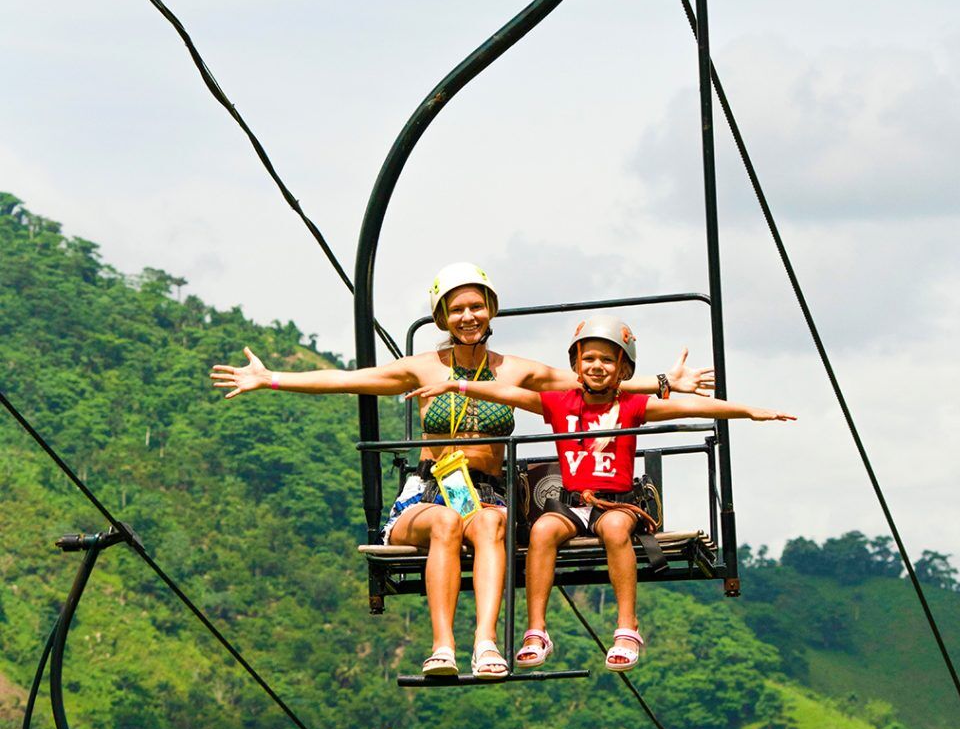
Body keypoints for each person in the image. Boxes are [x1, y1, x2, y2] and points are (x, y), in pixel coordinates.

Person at [211, 266, 714, 679]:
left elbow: (592, 382)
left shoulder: (515, 370)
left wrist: (668, 382)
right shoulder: (423, 368)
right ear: (443, 317)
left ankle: (486, 644)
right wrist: (272, 378)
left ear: (490, 310)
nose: (469, 316)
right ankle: (443, 647)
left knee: (491, 522)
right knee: (448, 525)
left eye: (477, 306)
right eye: (458, 309)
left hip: (486, 491)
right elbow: (348, 379)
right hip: (430, 491)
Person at [408, 314, 795, 673]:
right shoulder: (559, 404)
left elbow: (689, 407)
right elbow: (506, 394)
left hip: (618, 502)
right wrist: (455, 384)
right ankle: (537, 629)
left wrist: (750, 411)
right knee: (543, 530)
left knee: (613, 530)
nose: (597, 366)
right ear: (576, 366)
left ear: (624, 370)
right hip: (575, 503)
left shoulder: (631, 406)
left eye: (607, 361)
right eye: (588, 359)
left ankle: (627, 626)